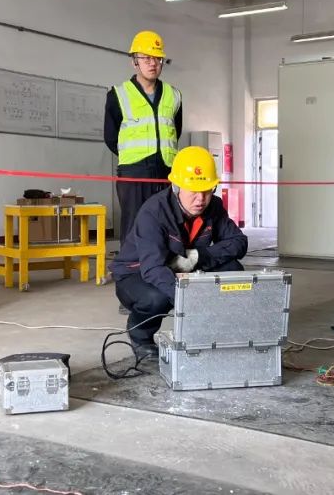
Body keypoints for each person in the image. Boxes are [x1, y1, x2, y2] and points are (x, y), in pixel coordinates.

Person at [108, 146, 248, 360]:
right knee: (156, 298)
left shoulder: (214, 206)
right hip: (137, 272)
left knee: (233, 270)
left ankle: (219, 329)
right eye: (193, 191)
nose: (200, 199)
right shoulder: (154, 211)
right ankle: (140, 337)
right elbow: (153, 269)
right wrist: (189, 301)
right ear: (176, 187)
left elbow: (239, 242)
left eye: (207, 190)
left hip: (183, 265)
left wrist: (199, 257)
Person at [104, 30, 184, 246]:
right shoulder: (118, 95)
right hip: (134, 174)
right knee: (134, 227)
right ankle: (131, 265)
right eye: (146, 58)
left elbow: (175, 131)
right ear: (134, 61)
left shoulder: (174, 95)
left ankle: (163, 264)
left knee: (167, 225)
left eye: (158, 58)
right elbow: (111, 138)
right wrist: (136, 156)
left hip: (166, 172)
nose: (153, 63)